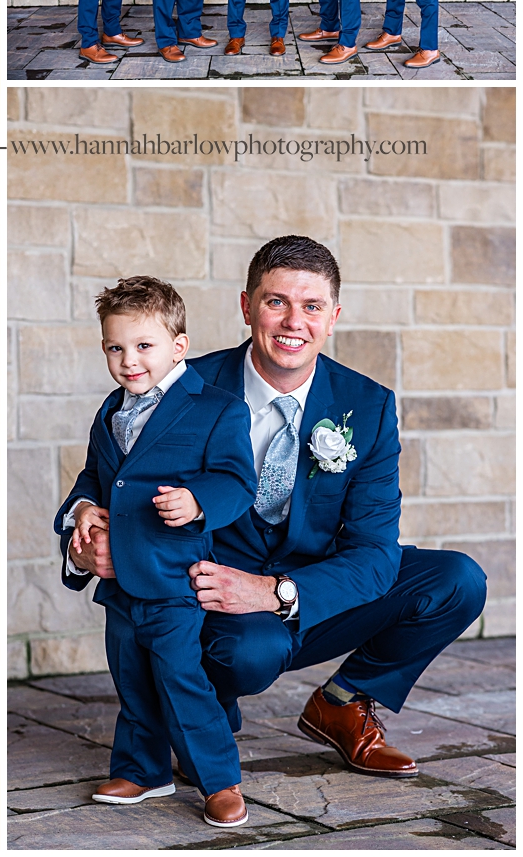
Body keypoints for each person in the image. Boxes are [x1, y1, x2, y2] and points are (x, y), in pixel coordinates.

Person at [70, 236, 488, 785]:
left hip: (307, 589)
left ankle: (342, 702)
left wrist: (277, 592)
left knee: (456, 579)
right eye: (276, 302)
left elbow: (373, 551)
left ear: (333, 317)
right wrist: (83, 529)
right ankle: (199, 706)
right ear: (247, 307)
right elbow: (104, 476)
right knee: (250, 652)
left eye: (311, 306)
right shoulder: (177, 383)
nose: (294, 321)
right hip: (209, 598)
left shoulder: (367, 406)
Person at [55, 276, 256, 828]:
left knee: (180, 680)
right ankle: (143, 770)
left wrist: (197, 502)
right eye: (115, 348)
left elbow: (239, 483)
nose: (129, 360)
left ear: (178, 346)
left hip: (172, 581)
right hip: (119, 584)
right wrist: (81, 510)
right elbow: (95, 477)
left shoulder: (216, 408)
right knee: (131, 680)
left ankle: (219, 779)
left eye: (143, 346)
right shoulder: (110, 411)